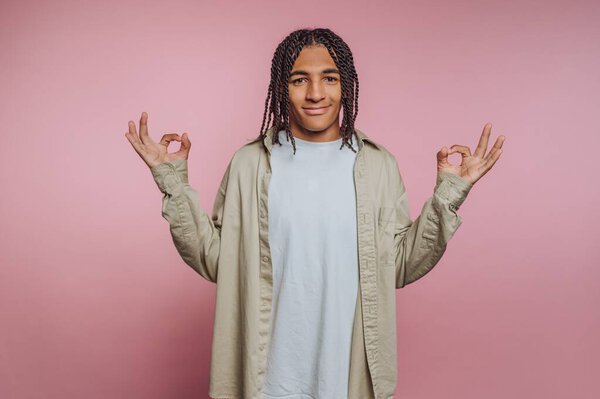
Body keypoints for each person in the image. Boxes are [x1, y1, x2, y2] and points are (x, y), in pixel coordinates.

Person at [125, 28, 504, 399]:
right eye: (299, 79)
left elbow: (399, 265)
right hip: (265, 381)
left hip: (344, 379)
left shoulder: (378, 165)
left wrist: (450, 193)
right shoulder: (249, 164)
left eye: (329, 78)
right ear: (280, 87)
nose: (316, 93)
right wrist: (172, 181)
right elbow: (217, 260)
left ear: (347, 85)